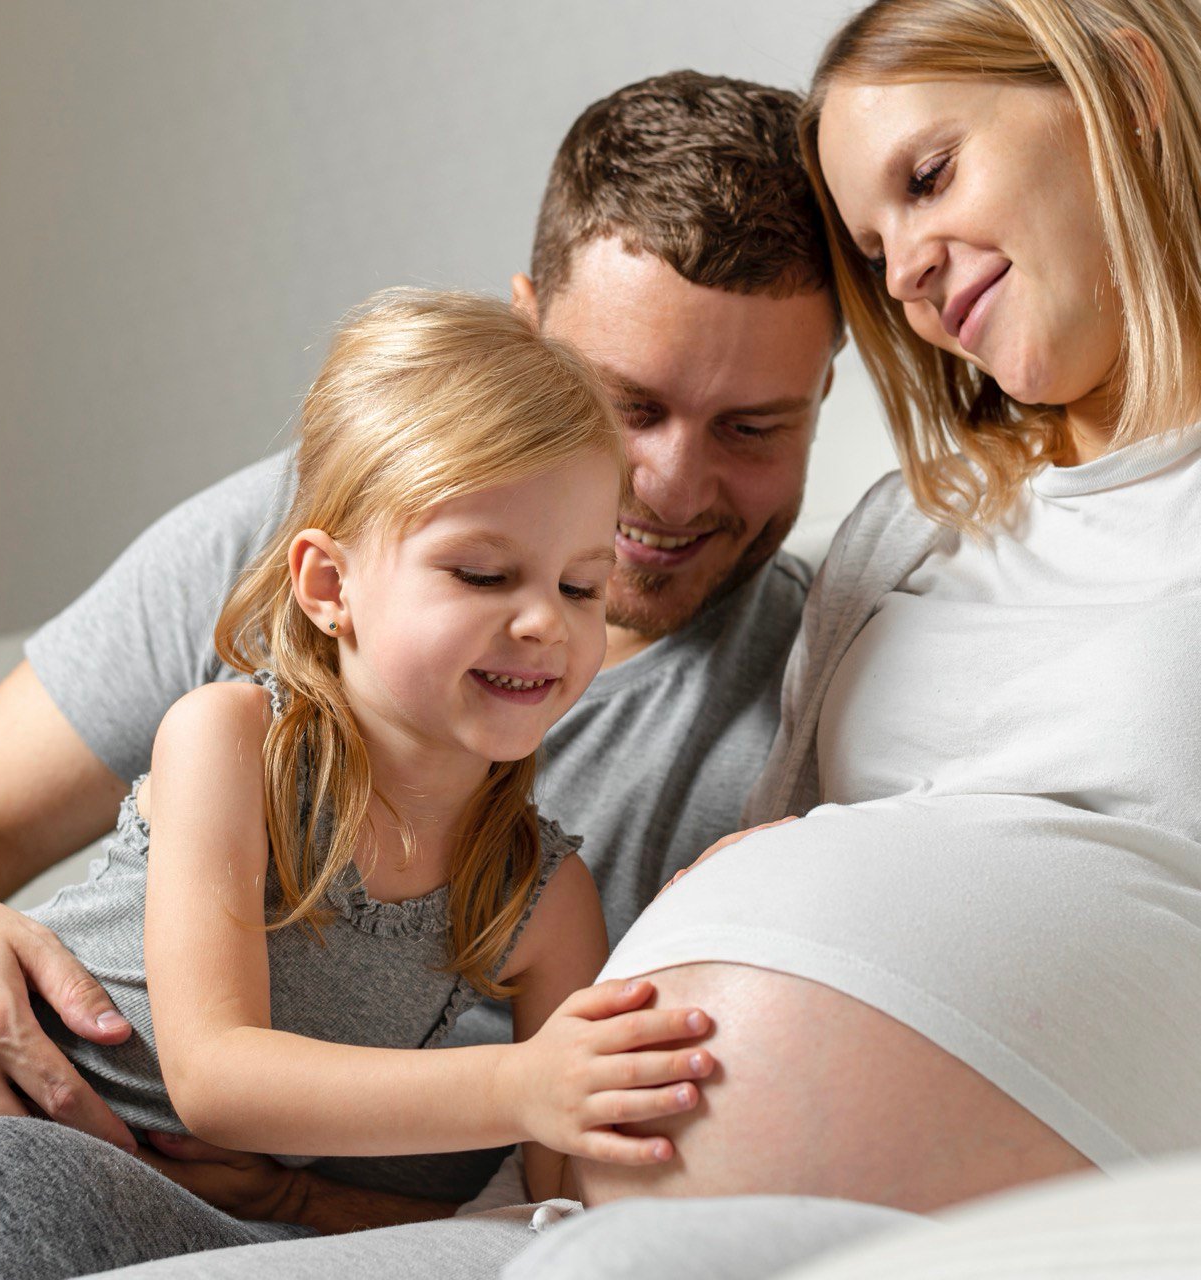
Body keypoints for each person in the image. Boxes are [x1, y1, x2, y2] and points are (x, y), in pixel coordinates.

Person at [0, 71, 840, 1271]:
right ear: (327, 582)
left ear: (827, 393)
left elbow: (564, 1204)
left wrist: (295, 1201)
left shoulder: (797, 716)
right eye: (624, 404)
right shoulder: (260, 665)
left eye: (752, 426)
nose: (659, 489)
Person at [573, 0, 1201, 1218]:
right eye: (871, 248)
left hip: (1013, 1209)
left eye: (928, 176)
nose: (903, 267)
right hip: (586, 1179)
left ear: (1124, 86)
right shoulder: (909, 521)